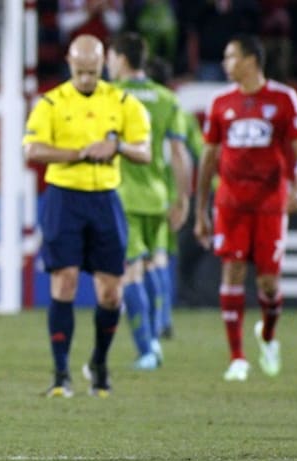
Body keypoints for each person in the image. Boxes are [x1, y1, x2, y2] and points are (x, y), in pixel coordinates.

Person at [23, 34, 151, 398]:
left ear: (104, 65)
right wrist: (80, 153)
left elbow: (144, 151)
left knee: (111, 292)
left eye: (92, 72)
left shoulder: (124, 102)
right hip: (64, 198)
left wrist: (117, 146)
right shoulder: (50, 103)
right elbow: (33, 149)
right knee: (64, 283)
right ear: (69, 63)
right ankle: (61, 373)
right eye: (79, 72)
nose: (85, 79)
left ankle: (98, 363)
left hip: (105, 200)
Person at [194, 35, 297, 382]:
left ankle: (268, 335)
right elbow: (208, 160)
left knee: (269, 283)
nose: (224, 63)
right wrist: (201, 210)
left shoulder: (283, 99)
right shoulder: (220, 103)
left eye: (230, 56)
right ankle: (237, 357)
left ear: (250, 60)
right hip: (230, 203)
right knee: (231, 271)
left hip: (270, 204)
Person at [106, 32, 192, 370]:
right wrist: (182, 199)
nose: (108, 65)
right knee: (154, 262)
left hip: (124, 196)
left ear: (122, 59)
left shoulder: (110, 97)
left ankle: (148, 350)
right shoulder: (168, 99)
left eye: (111, 58)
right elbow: (180, 154)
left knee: (129, 273)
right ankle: (160, 329)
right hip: (158, 196)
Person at [146, 56, 204, 338]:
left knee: (146, 259)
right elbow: (200, 152)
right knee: (161, 257)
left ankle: (157, 318)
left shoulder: (133, 106)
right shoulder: (180, 112)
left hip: (145, 190)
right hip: (171, 192)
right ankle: (162, 317)